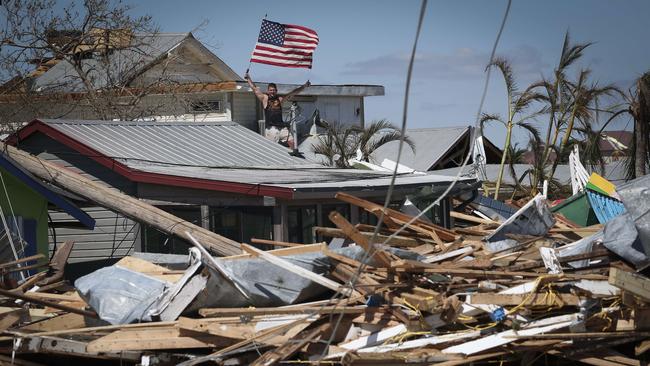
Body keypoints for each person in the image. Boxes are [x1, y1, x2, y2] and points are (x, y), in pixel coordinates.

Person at [245, 72, 311, 146]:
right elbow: (255, 89)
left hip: (282, 127)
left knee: (292, 143)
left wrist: (304, 86)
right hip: (271, 129)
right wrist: (248, 79)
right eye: (270, 90)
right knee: (271, 148)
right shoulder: (265, 98)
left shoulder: (280, 99)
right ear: (268, 91)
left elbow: (293, 93)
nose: (272, 92)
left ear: (276, 91)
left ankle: (293, 155)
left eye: (274, 90)